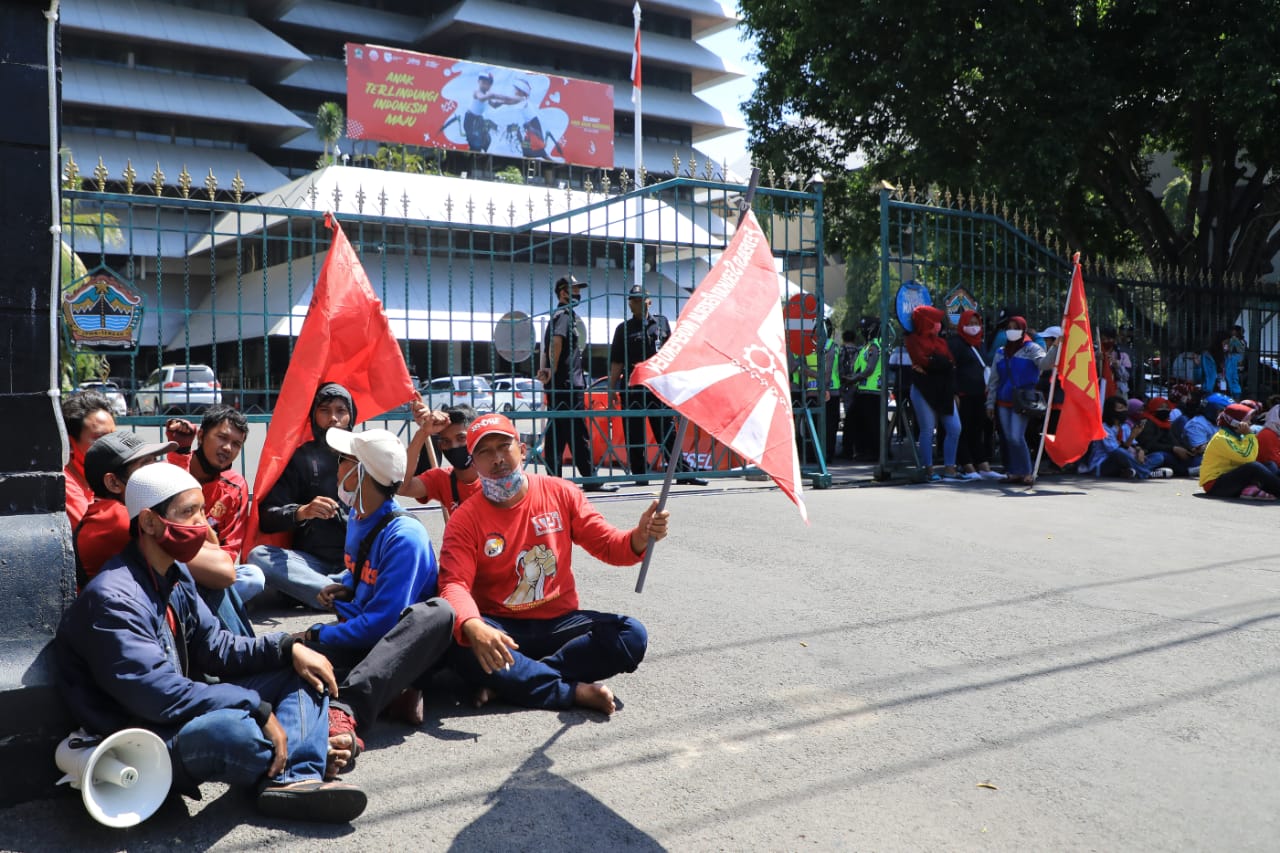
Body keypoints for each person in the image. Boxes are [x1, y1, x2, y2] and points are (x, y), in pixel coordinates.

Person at [55, 463, 367, 822]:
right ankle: (304, 754)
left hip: (180, 705)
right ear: (149, 522)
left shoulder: (175, 571)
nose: (202, 524)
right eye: (188, 512)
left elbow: (216, 647)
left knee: (304, 673)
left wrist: (287, 647)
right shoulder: (114, 599)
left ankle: (293, 777)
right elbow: (160, 696)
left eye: (202, 510)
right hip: (145, 733)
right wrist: (254, 706)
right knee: (237, 732)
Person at [439, 413, 668, 716]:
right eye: (484, 452)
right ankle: (568, 691)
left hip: (560, 623)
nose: (497, 459)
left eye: (503, 446)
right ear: (473, 462)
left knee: (631, 635)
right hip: (501, 627)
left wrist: (640, 537)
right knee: (460, 640)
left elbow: (609, 545)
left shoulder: (561, 492)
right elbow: (454, 584)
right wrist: (473, 625)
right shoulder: (464, 519)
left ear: (521, 449)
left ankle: (516, 680)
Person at [301, 428, 456, 768]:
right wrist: (348, 583)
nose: (336, 467)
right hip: (360, 631)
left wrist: (315, 634)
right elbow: (367, 574)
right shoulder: (359, 515)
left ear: (361, 473)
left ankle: (347, 711)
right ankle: (390, 696)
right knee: (288, 661)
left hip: (392, 645)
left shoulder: (405, 535)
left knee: (438, 612)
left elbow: (382, 624)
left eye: (344, 461)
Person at [248, 383, 356, 608]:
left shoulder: (365, 452)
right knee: (259, 556)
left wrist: (425, 433)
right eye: (325, 410)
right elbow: (268, 516)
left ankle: (323, 593)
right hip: (311, 563)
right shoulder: (300, 458)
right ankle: (340, 594)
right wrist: (302, 511)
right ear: (313, 416)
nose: (333, 418)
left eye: (341, 411)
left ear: (351, 416)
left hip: (358, 563)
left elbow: (405, 484)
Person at [607, 284, 708, 486]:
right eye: (632, 300)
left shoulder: (661, 324)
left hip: (658, 388)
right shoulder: (623, 329)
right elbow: (617, 362)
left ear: (649, 300)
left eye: (639, 299)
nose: (634, 304)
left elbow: (671, 355)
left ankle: (681, 473)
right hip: (633, 387)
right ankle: (640, 475)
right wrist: (611, 389)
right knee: (634, 434)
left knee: (667, 431)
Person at [165, 405, 265, 604]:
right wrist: (180, 453)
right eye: (222, 437)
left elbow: (228, 553)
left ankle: (187, 607)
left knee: (253, 577)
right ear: (201, 436)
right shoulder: (170, 470)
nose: (228, 448)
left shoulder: (235, 486)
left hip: (208, 571)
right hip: (170, 567)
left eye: (236, 444)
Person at [536, 275, 617, 491]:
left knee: (558, 434)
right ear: (562, 293)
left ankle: (553, 481)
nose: (578, 294)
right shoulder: (563, 316)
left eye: (579, 290)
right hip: (567, 386)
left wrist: (547, 372)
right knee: (577, 432)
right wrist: (552, 371)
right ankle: (590, 479)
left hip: (563, 385)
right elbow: (555, 343)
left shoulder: (565, 316)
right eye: (574, 290)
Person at [74, 430, 175, 588]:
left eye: (154, 461)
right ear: (113, 483)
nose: (156, 471)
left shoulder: (122, 509)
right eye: (144, 465)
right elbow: (220, 571)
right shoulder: (117, 518)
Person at [986, 315, 1056, 485]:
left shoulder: (1031, 348)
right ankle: (1015, 472)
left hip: (1022, 400)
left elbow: (1044, 364)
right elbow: (993, 380)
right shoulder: (1001, 352)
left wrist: (1055, 347)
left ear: (1023, 329)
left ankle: (1027, 472)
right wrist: (989, 403)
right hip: (1003, 401)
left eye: (1015, 327)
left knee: (1017, 436)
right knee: (1009, 437)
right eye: (1009, 327)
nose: (1011, 331)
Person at [904, 305, 961, 482]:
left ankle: (950, 467)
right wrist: (940, 363)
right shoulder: (912, 340)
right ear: (925, 322)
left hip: (944, 389)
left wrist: (935, 363)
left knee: (955, 428)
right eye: (934, 321)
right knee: (927, 429)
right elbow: (924, 360)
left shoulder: (941, 342)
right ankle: (928, 469)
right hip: (923, 388)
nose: (938, 325)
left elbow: (949, 364)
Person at [401, 403, 484, 513]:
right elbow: (402, 487)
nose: (454, 446)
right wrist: (423, 432)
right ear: (440, 446)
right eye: (446, 441)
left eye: (461, 438)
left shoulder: (497, 478)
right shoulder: (441, 479)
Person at [948, 309, 1000, 480]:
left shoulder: (980, 343)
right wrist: (954, 392)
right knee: (962, 429)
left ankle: (983, 464)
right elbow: (951, 369)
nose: (973, 327)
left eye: (976, 324)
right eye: (969, 324)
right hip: (963, 393)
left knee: (977, 430)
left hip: (980, 393)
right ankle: (967, 465)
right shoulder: (955, 343)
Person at [1199, 403, 1280, 500]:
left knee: (1270, 465)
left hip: (1230, 478)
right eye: (1247, 420)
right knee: (1253, 467)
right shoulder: (1222, 438)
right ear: (1235, 422)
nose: (1250, 423)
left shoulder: (1237, 436)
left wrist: (1248, 436)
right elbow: (1248, 458)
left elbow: (1252, 456)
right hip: (1214, 485)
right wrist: (1249, 435)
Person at [1080, 396, 1173, 479]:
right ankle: (1147, 473)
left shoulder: (1125, 427)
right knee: (1120, 453)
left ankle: (1133, 472)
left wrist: (1139, 451)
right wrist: (1131, 437)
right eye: (1120, 408)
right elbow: (1116, 452)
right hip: (1104, 464)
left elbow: (1134, 445)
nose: (1124, 411)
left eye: (1125, 408)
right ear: (1111, 411)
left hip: (1127, 461)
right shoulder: (1104, 428)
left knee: (1159, 456)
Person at [62, 390, 117, 529]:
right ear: (69, 444)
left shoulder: (100, 476)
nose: (113, 446)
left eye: (114, 437)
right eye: (100, 438)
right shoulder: (65, 486)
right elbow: (96, 532)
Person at [845, 316, 885, 463]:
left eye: (864, 329)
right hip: (863, 391)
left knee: (872, 424)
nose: (861, 332)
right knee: (857, 422)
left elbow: (870, 369)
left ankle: (874, 453)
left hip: (872, 392)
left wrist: (854, 379)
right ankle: (862, 451)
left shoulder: (875, 346)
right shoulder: (869, 346)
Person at [1134, 397, 1199, 477]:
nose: (1165, 410)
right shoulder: (1147, 422)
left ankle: (1183, 471)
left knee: (1196, 459)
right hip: (1150, 454)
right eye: (1161, 407)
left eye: (1166, 407)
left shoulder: (1165, 423)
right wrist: (1173, 449)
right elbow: (1148, 445)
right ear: (1153, 408)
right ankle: (1140, 472)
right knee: (1159, 457)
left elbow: (1174, 440)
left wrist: (1189, 449)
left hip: (1169, 453)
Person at [1097, 327, 1131, 398]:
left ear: (1114, 339)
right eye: (1103, 339)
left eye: (1109, 339)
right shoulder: (1095, 354)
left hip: (1119, 391)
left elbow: (1126, 377)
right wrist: (1097, 362)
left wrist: (1118, 367)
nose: (1106, 341)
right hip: (1100, 391)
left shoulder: (1123, 356)